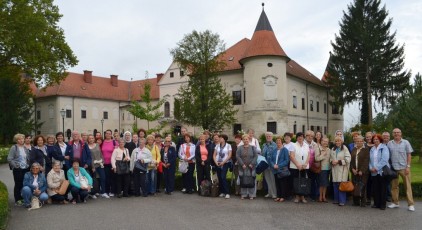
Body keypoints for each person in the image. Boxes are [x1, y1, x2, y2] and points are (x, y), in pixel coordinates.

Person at [387, 128, 415, 212]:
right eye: (394, 132)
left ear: (401, 133)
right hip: (393, 168)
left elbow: (409, 155)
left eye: (398, 132)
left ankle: (411, 204)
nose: (396, 134)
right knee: (394, 187)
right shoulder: (389, 143)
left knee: (408, 187)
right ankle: (395, 203)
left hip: (404, 168)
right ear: (392, 134)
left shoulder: (406, 142)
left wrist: (408, 166)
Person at [7, 133, 30, 206]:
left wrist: (28, 164)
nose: (21, 140)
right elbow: (9, 159)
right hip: (18, 169)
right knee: (18, 184)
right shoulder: (14, 147)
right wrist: (16, 166)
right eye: (19, 139)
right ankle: (17, 200)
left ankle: (23, 198)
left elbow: (27, 158)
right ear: (16, 140)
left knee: (24, 183)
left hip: (25, 168)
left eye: (22, 139)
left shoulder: (25, 148)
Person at [369, 134, 390, 210]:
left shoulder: (384, 147)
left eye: (377, 139)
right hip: (374, 172)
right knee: (376, 188)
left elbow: (384, 159)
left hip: (381, 171)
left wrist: (376, 168)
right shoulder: (372, 149)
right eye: (374, 139)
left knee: (383, 188)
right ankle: (376, 203)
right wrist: (371, 168)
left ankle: (382, 204)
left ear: (380, 140)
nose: (375, 141)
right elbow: (370, 160)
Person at [330, 136, 351, 206]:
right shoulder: (333, 149)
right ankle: (336, 200)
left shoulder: (345, 148)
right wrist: (332, 162)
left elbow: (348, 159)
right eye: (336, 141)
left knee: (341, 185)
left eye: (339, 141)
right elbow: (330, 158)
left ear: (341, 141)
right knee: (335, 185)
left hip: (342, 170)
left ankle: (342, 201)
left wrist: (338, 161)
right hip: (335, 169)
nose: (337, 142)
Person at [350, 135, 370, 207]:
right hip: (354, 171)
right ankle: (356, 202)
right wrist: (352, 169)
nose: (359, 142)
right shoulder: (353, 149)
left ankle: (363, 202)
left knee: (362, 186)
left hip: (363, 172)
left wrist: (362, 170)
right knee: (355, 186)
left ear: (363, 142)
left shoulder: (366, 149)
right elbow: (351, 160)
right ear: (355, 141)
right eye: (357, 141)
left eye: (360, 141)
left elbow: (366, 161)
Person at [236, 134, 258, 200]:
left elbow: (256, 156)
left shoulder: (253, 147)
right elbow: (238, 156)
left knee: (251, 180)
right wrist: (242, 164)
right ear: (242, 140)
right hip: (242, 167)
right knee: (243, 180)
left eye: (247, 139)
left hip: (251, 167)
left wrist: (252, 163)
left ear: (249, 140)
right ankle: (243, 194)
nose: (246, 140)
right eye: (244, 139)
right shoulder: (239, 148)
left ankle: (251, 194)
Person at [290, 132, 310, 203]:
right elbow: (291, 156)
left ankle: (303, 197)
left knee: (303, 181)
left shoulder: (306, 145)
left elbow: (308, 155)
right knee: (296, 182)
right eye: (298, 136)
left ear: (303, 137)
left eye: (301, 136)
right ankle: (297, 197)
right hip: (295, 167)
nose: (300, 138)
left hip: (304, 167)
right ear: (296, 138)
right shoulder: (293, 145)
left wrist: (305, 164)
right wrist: (298, 164)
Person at [269, 136, 290, 202]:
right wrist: (273, 165)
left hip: (282, 170)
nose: (278, 143)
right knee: (277, 183)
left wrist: (278, 165)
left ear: (282, 142)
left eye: (279, 141)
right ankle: (278, 196)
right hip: (275, 169)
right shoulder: (274, 150)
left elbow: (286, 161)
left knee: (282, 184)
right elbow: (271, 160)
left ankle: (283, 196)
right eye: (277, 141)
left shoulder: (285, 150)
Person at [88, 134, 108, 198]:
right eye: (90, 138)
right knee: (95, 179)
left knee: (103, 178)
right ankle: (93, 193)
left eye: (92, 138)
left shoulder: (97, 145)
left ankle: (103, 192)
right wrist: (93, 166)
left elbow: (100, 154)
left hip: (100, 164)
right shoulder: (87, 147)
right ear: (88, 140)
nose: (91, 139)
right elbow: (90, 157)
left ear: (94, 139)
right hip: (93, 165)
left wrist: (102, 161)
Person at [213, 134, 232, 199]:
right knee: (219, 177)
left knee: (223, 177)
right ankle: (222, 192)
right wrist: (216, 162)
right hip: (217, 163)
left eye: (221, 138)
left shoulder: (228, 146)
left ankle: (227, 192)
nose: (219, 139)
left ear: (224, 139)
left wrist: (223, 162)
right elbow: (214, 155)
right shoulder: (217, 145)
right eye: (219, 138)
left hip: (225, 163)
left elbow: (229, 155)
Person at [101, 129, 117, 197]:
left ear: (111, 134)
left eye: (109, 133)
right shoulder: (102, 142)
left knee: (113, 177)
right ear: (105, 134)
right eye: (106, 133)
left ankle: (112, 191)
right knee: (106, 178)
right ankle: (107, 191)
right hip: (104, 163)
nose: (108, 135)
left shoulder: (114, 142)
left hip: (112, 163)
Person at [305, 130, 320, 201]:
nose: (309, 137)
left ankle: (312, 195)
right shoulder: (302, 143)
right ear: (305, 136)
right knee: (304, 180)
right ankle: (304, 194)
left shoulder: (315, 145)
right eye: (308, 135)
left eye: (311, 136)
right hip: (304, 165)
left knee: (312, 180)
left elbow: (317, 155)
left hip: (313, 166)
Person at [262, 132, 277, 199]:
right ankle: (270, 193)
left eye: (270, 136)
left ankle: (274, 193)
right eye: (267, 136)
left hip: (272, 165)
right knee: (267, 179)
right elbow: (263, 154)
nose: (268, 137)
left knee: (273, 180)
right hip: (265, 165)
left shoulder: (275, 145)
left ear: (272, 137)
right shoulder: (264, 145)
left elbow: (275, 155)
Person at [315, 137, 331, 202]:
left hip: (328, 169)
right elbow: (316, 158)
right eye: (324, 141)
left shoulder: (329, 149)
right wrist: (323, 155)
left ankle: (324, 196)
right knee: (321, 184)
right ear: (321, 142)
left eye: (326, 141)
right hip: (322, 168)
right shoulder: (318, 148)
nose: (325, 143)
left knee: (326, 184)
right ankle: (320, 196)